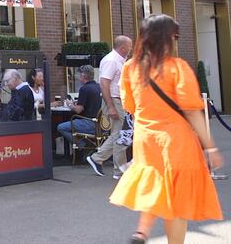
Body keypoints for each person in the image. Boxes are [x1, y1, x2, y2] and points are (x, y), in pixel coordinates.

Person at [108, 15, 224, 244]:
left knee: (157, 184)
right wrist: (210, 148)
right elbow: (192, 110)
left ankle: (142, 230)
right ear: (167, 38)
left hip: (145, 139)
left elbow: (129, 106)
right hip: (176, 141)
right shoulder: (176, 67)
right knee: (177, 203)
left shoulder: (130, 67)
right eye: (175, 36)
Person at [86, 35, 133, 179]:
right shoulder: (112, 60)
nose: (131, 49)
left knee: (120, 134)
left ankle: (98, 159)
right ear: (123, 47)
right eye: (130, 46)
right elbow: (104, 83)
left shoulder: (118, 60)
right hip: (114, 99)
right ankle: (118, 170)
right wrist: (111, 106)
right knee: (120, 134)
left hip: (118, 100)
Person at [56, 65, 102, 149]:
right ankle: (88, 144)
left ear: (83, 76)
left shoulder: (84, 89)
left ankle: (82, 145)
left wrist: (70, 104)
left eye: (79, 75)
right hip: (101, 125)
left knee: (61, 127)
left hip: (89, 123)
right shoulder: (99, 87)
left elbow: (78, 110)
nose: (78, 77)